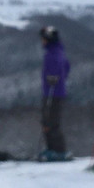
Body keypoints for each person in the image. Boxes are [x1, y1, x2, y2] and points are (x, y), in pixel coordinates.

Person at [38, 26, 71, 161]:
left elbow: (60, 68)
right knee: (48, 120)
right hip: (54, 91)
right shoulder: (57, 51)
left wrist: (55, 79)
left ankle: (58, 150)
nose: (42, 41)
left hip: (53, 93)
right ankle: (52, 148)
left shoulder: (53, 53)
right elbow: (67, 66)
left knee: (51, 121)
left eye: (44, 39)